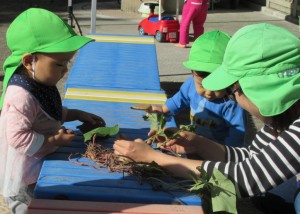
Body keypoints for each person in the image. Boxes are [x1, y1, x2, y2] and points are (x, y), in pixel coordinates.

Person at [114, 23, 300, 213]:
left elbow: (243, 179)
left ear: (259, 89)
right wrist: (199, 144)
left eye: (233, 90)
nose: (233, 97)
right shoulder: (282, 117)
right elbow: (251, 157)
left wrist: (154, 158)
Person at [0, 8, 106, 214]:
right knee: (29, 209)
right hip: (23, 175)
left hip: (38, 164)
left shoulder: (38, 80)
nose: (65, 70)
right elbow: (18, 138)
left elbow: (43, 115)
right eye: (59, 63)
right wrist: (53, 140)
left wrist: (74, 114)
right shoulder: (21, 95)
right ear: (29, 61)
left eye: (67, 62)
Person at [150, 30, 246, 147]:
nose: (209, 93)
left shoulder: (232, 103)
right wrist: (163, 110)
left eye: (217, 87)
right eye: (202, 85)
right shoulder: (190, 85)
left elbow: (237, 133)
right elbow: (178, 100)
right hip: (194, 143)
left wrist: (227, 156)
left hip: (217, 150)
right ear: (192, 73)